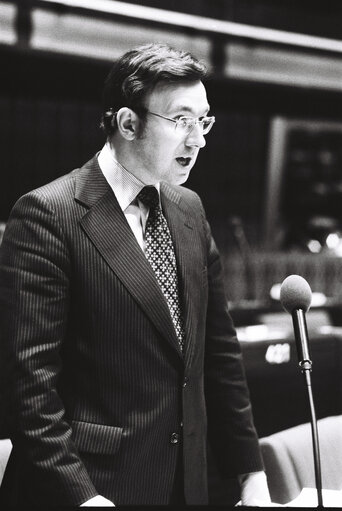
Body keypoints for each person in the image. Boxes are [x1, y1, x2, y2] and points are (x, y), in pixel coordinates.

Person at [0, 43, 271, 506]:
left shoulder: (190, 209)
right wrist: (83, 498)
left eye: (203, 121)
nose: (198, 138)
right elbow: (28, 388)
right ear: (128, 123)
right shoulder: (47, 214)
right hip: (86, 488)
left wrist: (251, 473)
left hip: (183, 486)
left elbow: (219, 356)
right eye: (182, 121)